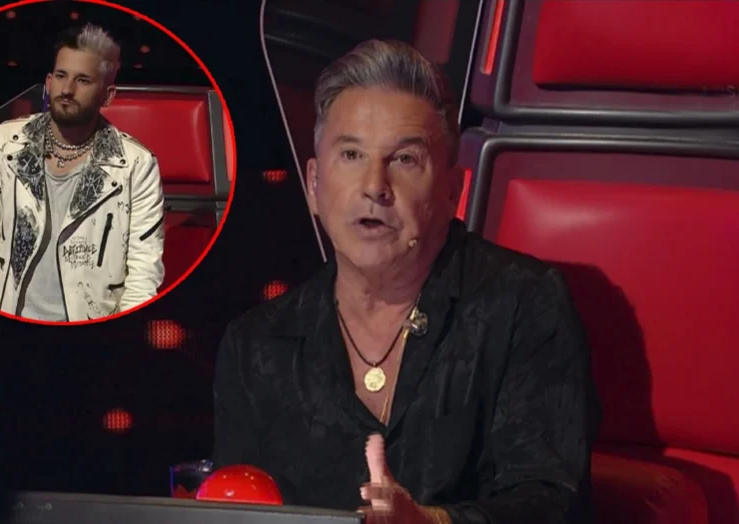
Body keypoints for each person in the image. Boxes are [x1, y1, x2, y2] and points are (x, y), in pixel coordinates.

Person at [212, 40, 602, 523]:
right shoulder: (256, 346)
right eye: (351, 154)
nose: (375, 186)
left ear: (453, 191)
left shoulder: (522, 305)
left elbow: (553, 503)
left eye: (405, 160)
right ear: (313, 185)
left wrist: (431, 522)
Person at [0, 23, 165, 322]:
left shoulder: (136, 164)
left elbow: (143, 274)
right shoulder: (8, 141)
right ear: (48, 82)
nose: (67, 90)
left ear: (107, 95)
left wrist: (117, 337)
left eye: (83, 80)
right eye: (60, 76)